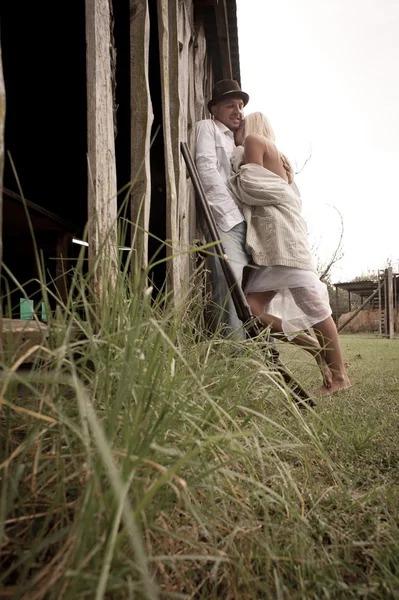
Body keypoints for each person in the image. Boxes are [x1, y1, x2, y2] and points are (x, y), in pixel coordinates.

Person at [230, 112, 351, 394]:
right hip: (275, 246)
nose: (237, 126)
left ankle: (341, 376)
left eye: (242, 122)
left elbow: (250, 186)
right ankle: (308, 343)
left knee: (315, 308)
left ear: (252, 126)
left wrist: (235, 169)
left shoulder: (252, 140)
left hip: (283, 242)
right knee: (251, 309)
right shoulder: (278, 157)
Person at [195, 79, 251, 338]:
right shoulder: (208, 128)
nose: (238, 111)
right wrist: (230, 216)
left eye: (240, 106)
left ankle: (250, 350)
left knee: (248, 291)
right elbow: (206, 169)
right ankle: (231, 354)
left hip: (246, 224)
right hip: (225, 221)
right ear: (213, 109)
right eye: (230, 105)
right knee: (229, 289)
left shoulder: (238, 142)